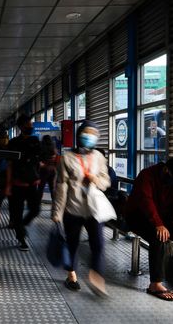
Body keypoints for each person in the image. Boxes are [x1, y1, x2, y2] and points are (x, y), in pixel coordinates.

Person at [125, 157, 173, 301]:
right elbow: (146, 201)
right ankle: (155, 284)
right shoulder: (146, 175)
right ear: (166, 169)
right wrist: (158, 224)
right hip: (138, 217)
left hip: (161, 219)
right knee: (159, 237)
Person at [52, 120, 111, 296]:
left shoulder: (99, 158)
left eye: (94, 133)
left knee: (99, 244)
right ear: (79, 134)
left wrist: (95, 179)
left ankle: (97, 277)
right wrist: (57, 213)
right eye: (87, 132)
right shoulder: (67, 158)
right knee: (72, 244)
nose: (90, 136)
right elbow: (61, 187)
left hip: (93, 210)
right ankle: (72, 276)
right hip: (73, 208)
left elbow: (106, 181)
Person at [5, 114, 42, 251]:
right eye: (28, 125)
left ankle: (21, 225)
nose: (30, 127)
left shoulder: (35, 141)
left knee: (35, 210)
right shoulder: (13, 143)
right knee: (16, 213)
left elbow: (40, 161)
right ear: (21, 127)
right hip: (17, 185)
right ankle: (22, 239)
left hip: (32, 184)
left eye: (31, 125)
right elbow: (9, 165)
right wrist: (8, 185)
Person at [38, 135, 58, 204]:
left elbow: (39, 159)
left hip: (43, 170)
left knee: (41, 188)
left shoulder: (41, 148)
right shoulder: (54, 148)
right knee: (52, 188)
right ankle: (54, 203)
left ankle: (38, 203)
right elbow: (56, 160)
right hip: (52, 171)